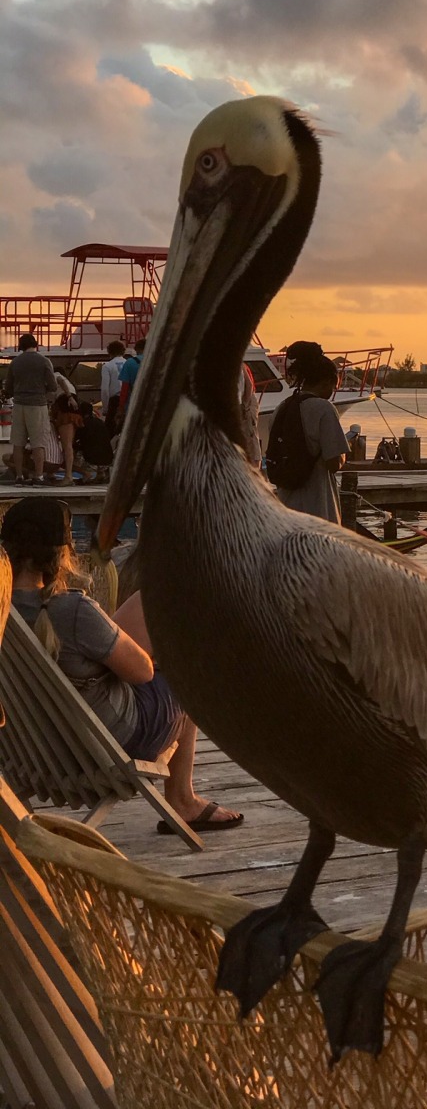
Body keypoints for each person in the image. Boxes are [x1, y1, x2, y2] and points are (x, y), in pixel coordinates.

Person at [1, 497, 243, 833]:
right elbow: (141, 673)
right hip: (107, 744)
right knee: (183, 669)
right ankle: (183, 801)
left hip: (36, 750)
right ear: (61, 554)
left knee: (137, 616)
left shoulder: (6, 613)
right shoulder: (70, 610)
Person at [270, 350, 348, 522]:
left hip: (286, 508)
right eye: (334, 386)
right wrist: (343, 453)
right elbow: (334, 462)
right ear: (328, 380)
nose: (333, 391)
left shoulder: (282, 407)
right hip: (317, 508)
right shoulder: (324, 409)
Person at [2, 333, 57, 485]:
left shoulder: (15, 362)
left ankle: (19, 476)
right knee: (38, 443)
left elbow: (8, 387)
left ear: (21, 346)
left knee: (18, 443)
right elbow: (53, 386)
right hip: (38, 405)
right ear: (36, 344)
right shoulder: (44, 361)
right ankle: (38, 476)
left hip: (19, 404)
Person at [51, 373, 83, 486]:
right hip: (71, 407)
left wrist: (68, 396)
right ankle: (68, 474)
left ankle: (68, 476)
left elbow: (59, 380)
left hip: (65, 407)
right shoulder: (69, 383)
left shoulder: (54, 375)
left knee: (67, 445)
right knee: (68, 445)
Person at [75, 400, 114, 482]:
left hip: (91, 460)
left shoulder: (82, 424)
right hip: (108, 459)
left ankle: (86, 474)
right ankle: (101, 473)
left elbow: (76, 440)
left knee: (69, 452)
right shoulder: (100, 422)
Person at [116, 339, 146, 427]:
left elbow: (124, 389)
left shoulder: (130, 363)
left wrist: (121, 407)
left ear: (137, 349)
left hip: (133, 406)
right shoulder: (158, 361)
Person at [100, 340, 126, 435]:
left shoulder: (107, 366)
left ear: (109, 352)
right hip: (128, 399)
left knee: (109, 432)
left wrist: (105, 408)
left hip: (115, 401)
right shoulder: (129, 364)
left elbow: (105, 390)